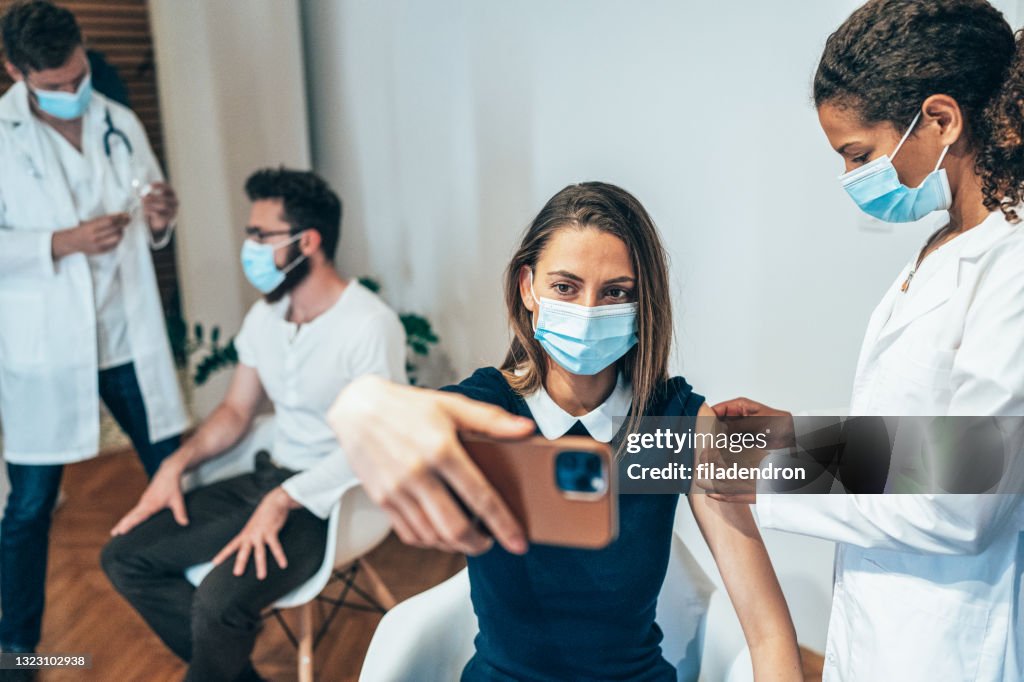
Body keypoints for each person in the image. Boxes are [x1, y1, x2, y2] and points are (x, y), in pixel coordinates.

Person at [327, 182, 803, 680]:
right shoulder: (485, 414)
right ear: (527, 288)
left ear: (644, 305)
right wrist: (359, 403)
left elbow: (770, 631)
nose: (588, 312)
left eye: (616, 292)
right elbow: (390, 424)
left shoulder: (670, 427)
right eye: (565, 287)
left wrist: (799, 443)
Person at [707, 1, 1024, 680]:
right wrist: (797, 437)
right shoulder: (946, 247)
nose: (852, 177)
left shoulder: (1013, 261)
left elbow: (971, 488)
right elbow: (918, 435)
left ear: (940, 120)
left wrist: (778, 469)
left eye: (860, 154)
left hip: (952, 649)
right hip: (885, 635)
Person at [101, 168, 407, 682]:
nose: (250, 249)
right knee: (124, 557)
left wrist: (285, 499)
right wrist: (175, 464)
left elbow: (375, 445)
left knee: (217, 602)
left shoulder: (369, 325)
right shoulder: (267, 317)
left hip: (330, 500)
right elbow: (236, 412)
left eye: (261, 236)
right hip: (269, 478)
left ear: (308, 242)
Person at [0, 0, 187, 662]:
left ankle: (205, 624)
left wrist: (161, 215)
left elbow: (152, 207)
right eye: (56, 85)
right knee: (29, 508)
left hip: (126, 335)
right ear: (16, 71)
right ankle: (16, 647)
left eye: (78, 74)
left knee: (176, 477)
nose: (74, 90)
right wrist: (60, 242)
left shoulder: (118, 119)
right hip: (49, 348)